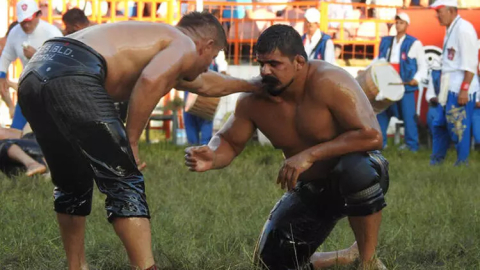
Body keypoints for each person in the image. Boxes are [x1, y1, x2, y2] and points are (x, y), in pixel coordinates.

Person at [17, 11, 259, 270]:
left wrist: (253, 85)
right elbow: (151, 79)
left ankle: (76, 267)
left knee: (71, 184)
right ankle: (145, 267)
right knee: (123, 177)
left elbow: (206, 84)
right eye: (212, 58)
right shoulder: (183, 43)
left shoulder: (156, 40)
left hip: (35, 73)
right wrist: (131, 140)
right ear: (207, 45)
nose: (207, 65)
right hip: (75, 75)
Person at [185, 24, 389, 270]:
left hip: (361, 169)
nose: (265, 71)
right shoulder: (253, 99)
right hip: (311, 188)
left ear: (299, 62)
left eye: (274, 64)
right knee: (269, 264)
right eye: (261, 63)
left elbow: (371, 136)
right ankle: (346, 256)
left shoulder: (330, 81)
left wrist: (310, 154)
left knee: (356, 169)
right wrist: (212, 155)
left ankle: (367, 261)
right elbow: (229, 141)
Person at [0, 0, 63, 136]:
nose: (26, 25)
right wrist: (2, 75)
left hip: (50, 89)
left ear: (38, 15)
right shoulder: (15, 32)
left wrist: (36, 55)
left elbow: (62, 63)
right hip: (28, 88)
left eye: (29, 20)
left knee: (51, 131)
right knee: (16, 128)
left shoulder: (51, 32)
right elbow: (6, 55)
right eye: (23, 22)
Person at [429, 0, 479, 165]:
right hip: (448, 85)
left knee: (459, 127)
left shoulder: (464, 29)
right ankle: (436, 160)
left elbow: (471, 63)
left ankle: (462, 162)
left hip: (459, 87)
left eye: (439, 11)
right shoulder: (451, 28)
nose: (437, 16)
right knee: (440, 124)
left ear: (451, 10)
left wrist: (464, 89)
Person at [374, 12, 426, 151]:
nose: (398, 25)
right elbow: (378, 60)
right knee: (382, 112)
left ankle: (411, 145)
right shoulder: (386, 42)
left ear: (407, 25)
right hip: (388, 84)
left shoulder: (414, 43)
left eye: (401, 22)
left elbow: (423, 65)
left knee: (409, 115)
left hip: (406, 86)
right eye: (396, 22)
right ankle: (379, 142)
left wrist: (417, 79)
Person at [183, 51, 228, 145]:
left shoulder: (216, 49)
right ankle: (193, 145)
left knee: (206, 118)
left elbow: (222, 68)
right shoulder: (189, 45)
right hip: (190, 85)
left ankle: (205, 146)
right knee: (189, 117)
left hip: (208, 86)